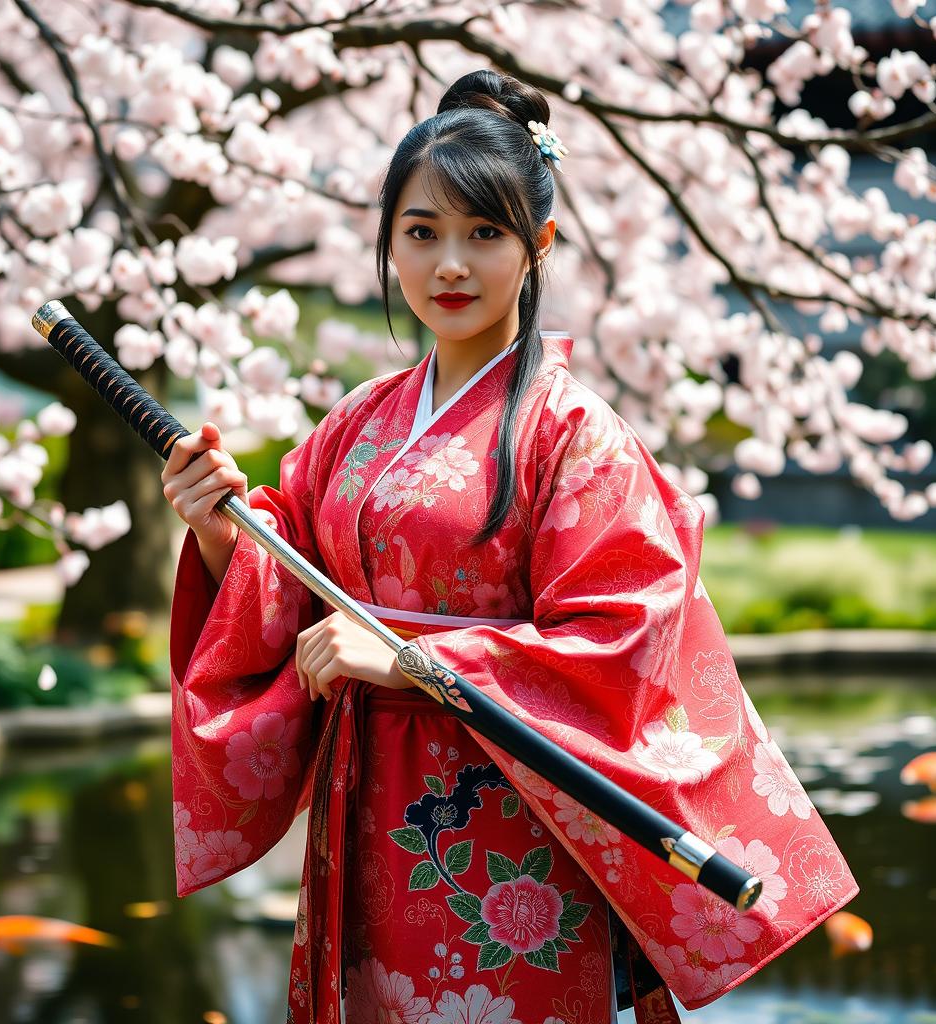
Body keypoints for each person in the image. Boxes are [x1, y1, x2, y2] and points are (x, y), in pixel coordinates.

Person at [163, 69, 858, 1024]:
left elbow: (622, 641)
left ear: (539, 246)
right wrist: (217, 528)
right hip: (364, 806)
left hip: (512, 823)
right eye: (422, 233)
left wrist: (420, 661)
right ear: (388, 243)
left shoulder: (573, 433)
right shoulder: (356, 424)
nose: (450, 265)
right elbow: (286, 574)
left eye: (484, 235)